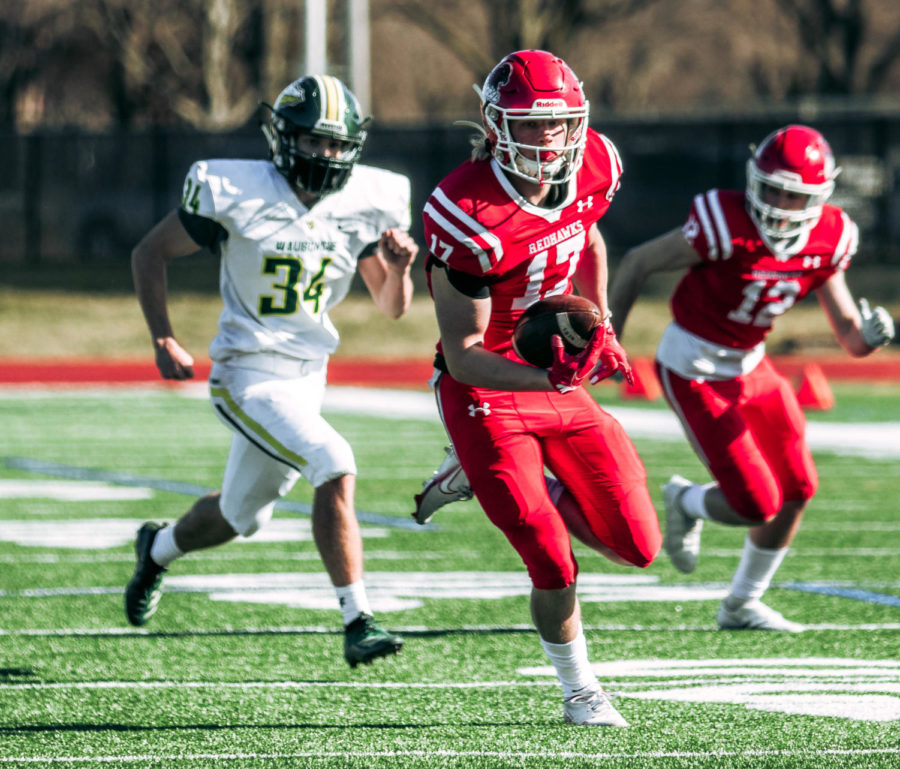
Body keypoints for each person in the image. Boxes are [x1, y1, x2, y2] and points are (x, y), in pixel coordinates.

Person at [126, 75, 418, 668]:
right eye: (313, 141)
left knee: (241, 518)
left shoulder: (366, 201)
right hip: (246, 373)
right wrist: (163, 336)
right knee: (334, 463)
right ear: (282, 138)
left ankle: (155, 551)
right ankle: (357, 618)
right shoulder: (235, 190)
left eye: (337, 145)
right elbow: (148, 252)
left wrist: (400, 269)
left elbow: (392, 308)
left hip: (308, 376)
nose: (325, 155)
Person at [419, 49, 662, 727]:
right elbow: (464, 356)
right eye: (530, 124)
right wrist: (547, 377)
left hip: (549, 373)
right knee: (550, 556)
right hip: (486, 388)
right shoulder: (465, 210)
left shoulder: (595, 166)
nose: (548, 138)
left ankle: (509, 474)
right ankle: (581, 688)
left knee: (639, 545)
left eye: (559, 123)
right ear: (496, 125)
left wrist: (602, 319)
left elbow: (587, 237)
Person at [609, 124, 895, 632]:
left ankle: (742, 602)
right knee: (756, 503)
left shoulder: (830, 236)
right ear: (753, 181)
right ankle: (686, 498)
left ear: (821, 195)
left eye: (796, 194)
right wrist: (607, 341)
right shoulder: (724, 222)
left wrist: (873, 336)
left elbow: (850, 338)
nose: (782, 204)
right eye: (773, 189)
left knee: (799, 486)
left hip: (751, 363)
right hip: (693, 366)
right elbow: (637, 263)